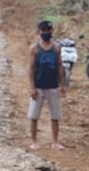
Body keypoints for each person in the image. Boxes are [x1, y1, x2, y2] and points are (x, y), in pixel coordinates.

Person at [28, 20, 66, 150]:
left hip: (53, 86)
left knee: (55, 116)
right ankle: (34, 141)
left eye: (48, 30)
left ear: (52, 31)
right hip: (39, 87)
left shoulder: (56, 48)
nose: (46, 33)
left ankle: (55, 141)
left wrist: (62, 84)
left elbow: (60, 66)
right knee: (34, 116)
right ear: (39, 32)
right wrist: (32, 87)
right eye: (43, 30)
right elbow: (31, 68)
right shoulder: (34, 49)